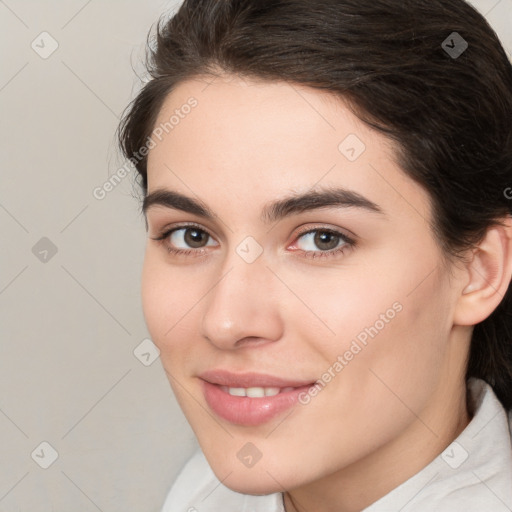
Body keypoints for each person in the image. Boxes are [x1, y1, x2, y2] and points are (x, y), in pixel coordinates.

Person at [118, 0, 512, 510]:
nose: (225, 321)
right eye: (191, 235)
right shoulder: (202, 494)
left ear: (480, 271)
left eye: (322, 239)